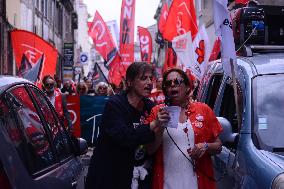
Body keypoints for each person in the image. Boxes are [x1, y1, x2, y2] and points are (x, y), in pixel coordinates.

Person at [85, 62, 165, 189]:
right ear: (129, 82)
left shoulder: (150, 106)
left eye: (151, 78)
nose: (149, 82)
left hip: (139, 178)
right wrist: (153, 124)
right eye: (144, 78)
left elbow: (152, 144)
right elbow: (125, 137)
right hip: (110, 177)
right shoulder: (114, 105)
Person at [146, 68, 223, 189]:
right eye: (168, 83)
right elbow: (149, 150)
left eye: (177, 81)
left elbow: (218, 146)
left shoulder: (204, 109)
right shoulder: (157, 112)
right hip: (166, 184)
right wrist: (159, 126)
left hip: (198, 183)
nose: (172, 85)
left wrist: (205, 146)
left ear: (187, 87)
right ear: (165, 90)